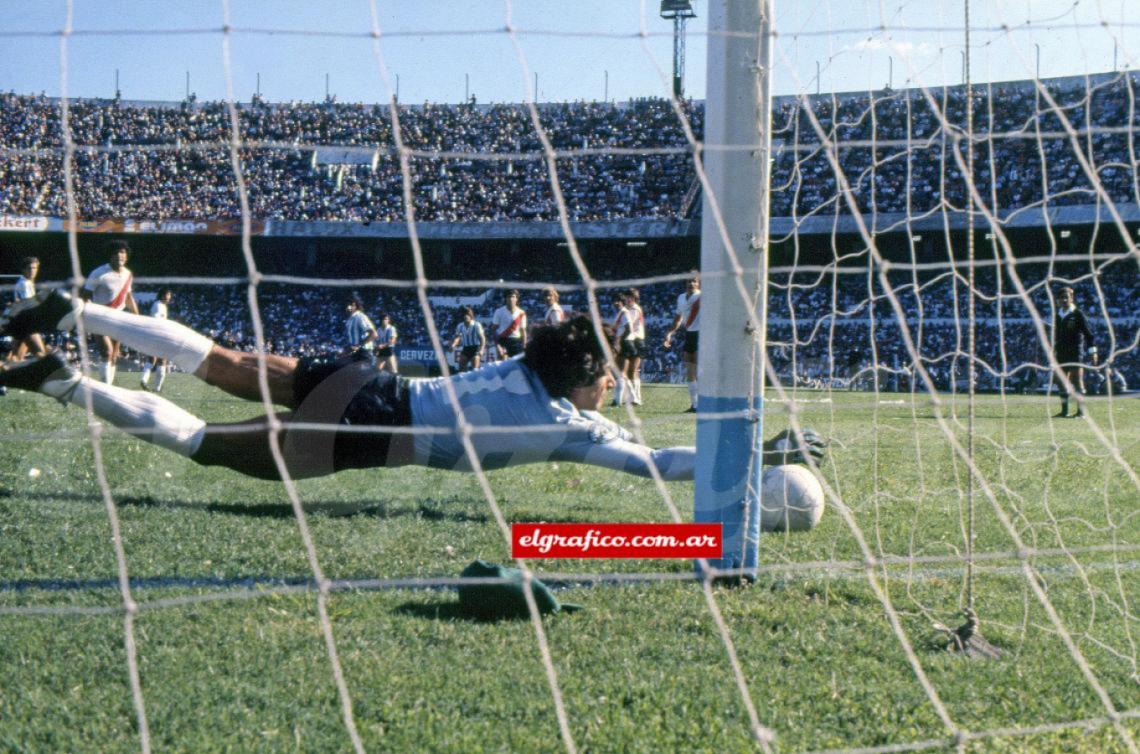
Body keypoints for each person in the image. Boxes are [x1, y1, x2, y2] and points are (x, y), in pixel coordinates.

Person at [0, 293, 825, 482]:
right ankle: (59, 382)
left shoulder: (526, 371)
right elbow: (665, 464)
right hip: (378, 428)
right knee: (205, 446)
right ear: (582, 376)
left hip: (380, 382)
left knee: (218, 360)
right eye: (607, 374)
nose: (613, 385)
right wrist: (753, 455)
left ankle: (68, 311)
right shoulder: (570, 425)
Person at [82, 240, 139, 384]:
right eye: (116, 253)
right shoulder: (98, 273)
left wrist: (137, 317)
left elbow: (127, 297)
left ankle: (109, 387)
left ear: (127, 256)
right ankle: (105, 388)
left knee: (114, 355)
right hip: (100, 318)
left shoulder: (128, 274)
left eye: (123, 253)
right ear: (110, 256)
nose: (120, 256)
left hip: (118, 318)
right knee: (106, 352)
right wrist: (91, 315)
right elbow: (85, 297)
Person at [1052, 286, 1097, 418]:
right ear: (1058, 300)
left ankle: (1081, 412)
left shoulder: (1078, 314)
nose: (1064, 300)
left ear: (1071, 299)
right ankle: (1064, 411)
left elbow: (1089, 334)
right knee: (1061, 381)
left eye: (1067, 297)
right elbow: (1058, 335)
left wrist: (1093, 352)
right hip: (1061, 353)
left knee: (1077, 381)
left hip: (1075, 352)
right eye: (1061, 298)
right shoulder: (1057, 315)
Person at [664, 275, 700, 413]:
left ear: (698, 284)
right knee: (689, 370)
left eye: (694, 281)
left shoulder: (702, 297)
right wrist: (669, 333)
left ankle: (705, 403)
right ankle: (694, 404)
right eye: (689, 281)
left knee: (698, 370)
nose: (691, 283)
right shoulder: (680, 298)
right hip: (689, 334)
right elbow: (678, 318)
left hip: (701, 333)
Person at [10, 256, 47, 362]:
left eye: (35, 268)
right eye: (29, 268)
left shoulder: (28, 283)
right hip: (27, 326)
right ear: (23, 270)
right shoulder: (24, 284)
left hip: (22, 325)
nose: (32, 271)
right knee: (41, 355)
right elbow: (29, 306)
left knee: (16, 358)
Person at [140, 288, 173, 392]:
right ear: (163, 295)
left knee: (152, 359)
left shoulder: (161, 305)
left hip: (153, 335)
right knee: (162, 360)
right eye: (168, 295)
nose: (169, 298)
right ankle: (157, 388)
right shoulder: (158, 305)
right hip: (158, 334)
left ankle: (144, 380)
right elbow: (156, 321)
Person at [622, 288, 646, 406]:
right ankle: (634, 397)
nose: (627, 299)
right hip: (631, 339)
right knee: (630, 371)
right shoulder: (628, 309)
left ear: (634, 298)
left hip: (636, 340)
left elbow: (630, 327)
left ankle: (636, 398)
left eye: (630, 297)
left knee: (633, 370)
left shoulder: (634, 309)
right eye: (626, 297)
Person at [609, 292, 632, 406]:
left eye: (616, 301)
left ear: (621, 302)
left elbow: (629, 329)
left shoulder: (624, 312)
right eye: (613, 301)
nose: (614, 303)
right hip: (620, 343)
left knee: (621, 372)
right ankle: (624, 398)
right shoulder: (619, 313)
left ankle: (618, 401)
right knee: (619, 372)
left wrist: (619, 339)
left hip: (623, 343)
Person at [492, 289, 527, 359]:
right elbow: (493, 330)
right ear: (505, 298)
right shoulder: (498, 311)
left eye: (513, 296)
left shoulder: (521, 313)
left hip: (516, 342)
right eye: (508, 297)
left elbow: (523, 331)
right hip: (503, 340)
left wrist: (524, 345)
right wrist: (497, 346)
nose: (511, 299)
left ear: (516, 299)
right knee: (502, 364)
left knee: (516, 366)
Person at [450, 306, 486, 372]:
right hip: (466, 349)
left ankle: (477, 381)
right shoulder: (460, 326)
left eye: (467, 314)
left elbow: (482, 338)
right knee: (461, 368)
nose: (465, 316)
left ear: (470, 315)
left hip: (475, 349)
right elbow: (457, 338)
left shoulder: (476, 325)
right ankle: (462, 382)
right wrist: (453, 345)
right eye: (464, 315)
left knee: (475, 370)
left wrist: (481, 349)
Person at [344, 295, 378, 360]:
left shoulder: (360, 317)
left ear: (355, 306)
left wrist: (359, 345)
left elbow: (374, 334)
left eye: (350, 305)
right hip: (355, 353)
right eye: (347, 305)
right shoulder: (349, 320)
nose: (348, 307)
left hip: (364, 353)